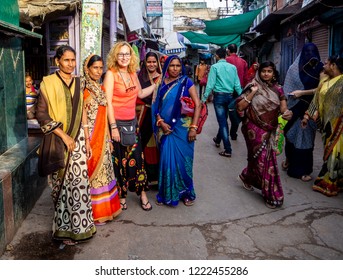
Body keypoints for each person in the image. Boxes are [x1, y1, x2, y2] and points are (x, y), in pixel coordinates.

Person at [36, 45, 96, 245]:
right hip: (58, 140)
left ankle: (81, 227)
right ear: (57, 62)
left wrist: (87, 140)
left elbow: (84, 112)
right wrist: (64, 135)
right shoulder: (48, 83)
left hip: (78, 140)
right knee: (62, 186)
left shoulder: (80, 83)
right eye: (66, 60)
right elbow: (41, 114)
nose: (70, 64)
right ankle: (63, 231)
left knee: (79, 184)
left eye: (73, 60)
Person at [103, 41, 156, 211]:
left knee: (138, 161)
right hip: (117, 124)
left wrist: (156, 84)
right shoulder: (111, 74)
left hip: (133, 124)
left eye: (127, 54)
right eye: (121, 54)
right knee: (120, 163)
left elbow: (140, 93)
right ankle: (122, 195)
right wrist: (113, 127)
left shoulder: (133, 73)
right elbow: (108, 102)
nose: (124, 57)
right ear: (115, 56)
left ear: (131, 56)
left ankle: (142, 194)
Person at [236, 61, 293, 209]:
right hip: (253, 128)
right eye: (263, 71)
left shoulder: (279, 90)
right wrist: (253, 92)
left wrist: (287, 114)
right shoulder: (251, 86)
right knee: (262, 161)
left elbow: (283, 109)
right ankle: (272, 195)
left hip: (270, 129)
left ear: (274, 73)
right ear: (259, 72)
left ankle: (246, 177)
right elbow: (240, 107)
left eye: (269, 71)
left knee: (264, 160)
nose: (266, 74)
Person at [152, 55, 201, 206]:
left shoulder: (187, 82)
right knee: (167, 161)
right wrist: (160, 122)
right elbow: (156, 106)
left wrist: (193, 127)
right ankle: (167, 193)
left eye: (177, 66)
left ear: (181, 67)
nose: (175, 68)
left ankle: (186, 193)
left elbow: (198, 105)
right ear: (167, 66)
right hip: (165, 129)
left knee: (183, 161)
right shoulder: (159, 83)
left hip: (183, 129)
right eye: (172, 65)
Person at [81, 54, 122, 225]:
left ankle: (105, 210)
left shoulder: (101, 88)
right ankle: (91, 212)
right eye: (95, 68)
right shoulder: (82, 89)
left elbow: (104, 115)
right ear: (87, 68)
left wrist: (109, 139)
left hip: (103, 138)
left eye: (100, 68)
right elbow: (82, 117)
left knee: (104, 174)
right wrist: (85, 140)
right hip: (88, 137)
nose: (98, 71)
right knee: (91, 174)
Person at [301, 55, 343, 196]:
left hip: (339, 126)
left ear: (333, 65)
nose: (323, 66)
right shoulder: (324, 81)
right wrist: (307, 115)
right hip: (326, 125)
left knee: (335, 154)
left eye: (326, 63)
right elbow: (316, 99)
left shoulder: (342, 82)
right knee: (329, 151)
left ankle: (330, 183)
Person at [282, 43, 323, 182]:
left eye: (313, 51)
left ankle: (303, 170)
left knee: (305, 140)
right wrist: (287, 108)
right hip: (294, 107)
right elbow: (288, 89)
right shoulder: (294, 68)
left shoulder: (321, 68)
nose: (310, 55)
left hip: (311, 108)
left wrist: (302, 93)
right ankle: (289, 160)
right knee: (291, 136)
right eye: (307, 52)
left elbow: (322, 89)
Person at [201, 48, 242, 157]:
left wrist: (203, 99)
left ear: (217, 56)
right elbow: (237, 85)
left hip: (219, 98)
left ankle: (228, 149)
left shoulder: (214, 67)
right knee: (223, 120)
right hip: (230, 97)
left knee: (223, 123)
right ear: (226, 55)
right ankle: (218, 139)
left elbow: (210, 85)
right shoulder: (233, 68)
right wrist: (242, 96)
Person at [137, 51, 162, 185]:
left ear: (157, 63)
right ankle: (142, 176)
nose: (151, 64)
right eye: (149, 62)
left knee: (156, 145)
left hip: (157, 115)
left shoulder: (162, 78)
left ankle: (155, 177)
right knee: (142, 145)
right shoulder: (140, 77)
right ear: (145, 63)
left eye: (154, 62)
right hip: (142, 116)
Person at [226, 44, 249, 140]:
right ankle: (233, 133)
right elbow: (246, 77)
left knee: (224, 113)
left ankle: (223, 134)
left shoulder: (226, 61)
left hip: (227, 89)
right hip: (240, 89)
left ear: (228, 51)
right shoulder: (243, 62)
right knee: (236, 110)